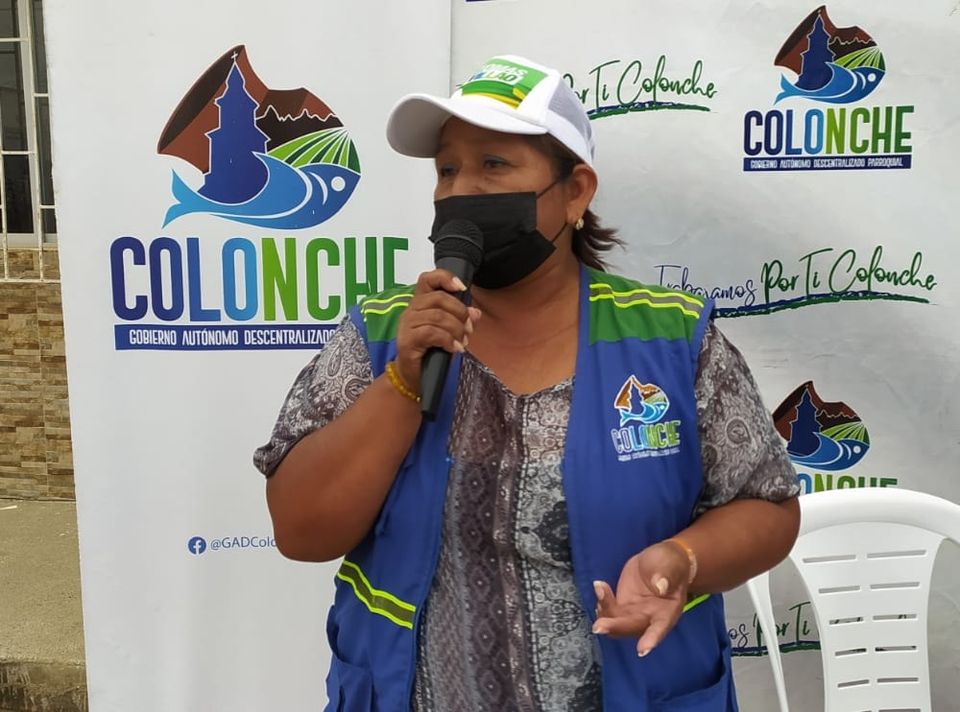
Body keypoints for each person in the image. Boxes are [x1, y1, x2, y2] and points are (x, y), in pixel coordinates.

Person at [254, 54, 800, 712]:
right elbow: (302, 531)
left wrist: (684, 559)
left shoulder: (672, 338)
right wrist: (402, 381)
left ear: (575, 192)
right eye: (447, 169)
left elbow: (768, 506)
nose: (462, 190)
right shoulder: (380, 334)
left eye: (494, 165)